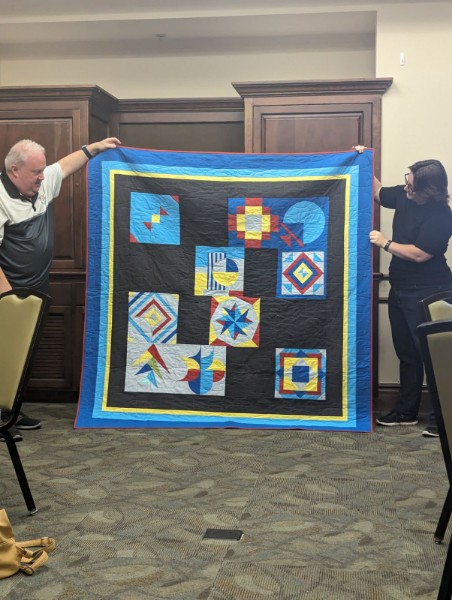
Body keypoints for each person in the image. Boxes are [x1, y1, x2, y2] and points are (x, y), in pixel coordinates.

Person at [0, 136, 121, 441]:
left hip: (34, 292)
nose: (43, 177)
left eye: (42, 170)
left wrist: (94, 149)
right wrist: (8, 300)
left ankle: (8, 411)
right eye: (36, 172)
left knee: (20, 355)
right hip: (7, 295)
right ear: (14, 171)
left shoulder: (38, 185)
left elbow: (64, 167)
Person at [357, 149, 452, 437]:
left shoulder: (441, 215)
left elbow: (420, 254)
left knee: (433, 355)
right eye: (406, 182)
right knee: (407, 353)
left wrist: (384, 243)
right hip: (400, 288)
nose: (406, 189)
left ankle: (441, 420)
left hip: (430, 291)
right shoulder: (404, 194)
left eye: (411, 187)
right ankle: (406, 412)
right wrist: (362, 159)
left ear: (430, 191)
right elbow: (378, 192)